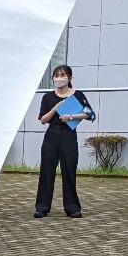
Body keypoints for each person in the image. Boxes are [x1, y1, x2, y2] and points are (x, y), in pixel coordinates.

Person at [35, 64, 93, 219]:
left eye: (63, 75)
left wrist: (71, 117)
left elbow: (90, 114)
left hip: (69, 135)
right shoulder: (47, 97)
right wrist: (56, 107)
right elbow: (42, 120)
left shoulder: (77, 95)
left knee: (69, 171)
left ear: (70, 78)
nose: (59, 78)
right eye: (56, 75)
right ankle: (42, 207)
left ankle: (72, 207)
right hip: (51, 136)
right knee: (47, 171)